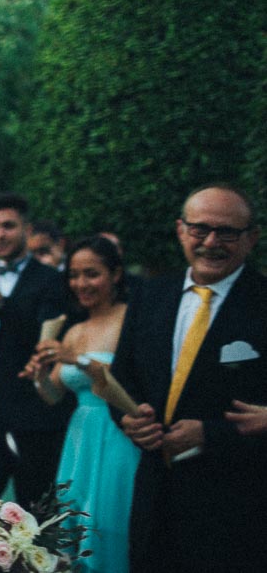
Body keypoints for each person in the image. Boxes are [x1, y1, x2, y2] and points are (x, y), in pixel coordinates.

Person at [112, 184, 265, 573]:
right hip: (155, 499)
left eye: (227, 232)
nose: (211, 242)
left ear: (252, 238)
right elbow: (123, 375)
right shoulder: (150, 295)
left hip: (240, 509)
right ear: (181, 230)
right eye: (200, 229)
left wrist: (211, 434)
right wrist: (129, 421)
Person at [21, 236, 140, 572]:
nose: (81, 284)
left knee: (111, 517)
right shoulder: (74, 330)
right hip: (79, 436)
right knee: (75, 518)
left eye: (92, 274)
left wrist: (75, 358)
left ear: (115, 274)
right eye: (74, 275)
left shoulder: (130, 319)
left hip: (118, 431)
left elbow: (121, 379)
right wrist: (39, 373)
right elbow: (53, 394)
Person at [0, 192, 71, 507]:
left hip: (31, 412)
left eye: (8, 226)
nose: (0, 234)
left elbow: (42, 341)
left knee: (32, 506)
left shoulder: (50, 280)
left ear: (26, 230)